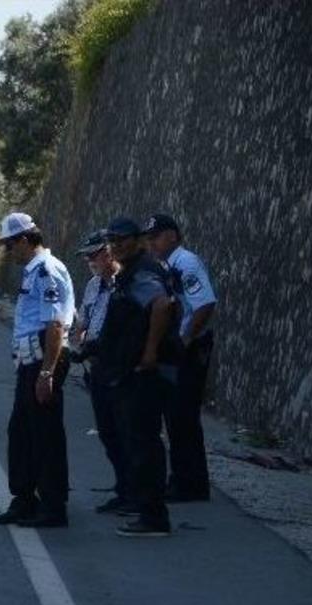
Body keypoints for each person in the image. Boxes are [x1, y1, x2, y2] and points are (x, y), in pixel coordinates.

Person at [0, 212, 75, 528]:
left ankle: (53, 506)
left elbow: (55, 325)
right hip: (30, 361)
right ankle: (24, 499)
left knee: (45, 435)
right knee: (22, 433)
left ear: (24, 240)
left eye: (10, 245)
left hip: (43, 360)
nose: (8, 252)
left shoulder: (46, 270)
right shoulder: (33, 270)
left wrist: (47, 373)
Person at [96, 217, 179, 537]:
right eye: (112, 240)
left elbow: (162, 305)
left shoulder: (142, 272)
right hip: (130, 372)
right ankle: (144, 508)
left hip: (144, 374)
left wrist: (150, 352)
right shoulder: (130, 272)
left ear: (138, 240)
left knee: (143, 443)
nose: (116, 245)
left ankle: (153, 517)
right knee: (135, 441)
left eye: (122, 239)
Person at [144, 213, 217, 502]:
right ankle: (184, 480)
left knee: (183, 416)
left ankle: (190, 484)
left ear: (172, 235)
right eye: (149, 238)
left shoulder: (186, 262)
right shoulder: (167, 265)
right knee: (175, 417)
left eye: (156, 237)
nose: (152, 243)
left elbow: (204, 303)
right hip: (178, 348)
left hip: (190, 349)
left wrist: (185, 339)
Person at [70, 229, 129, 514]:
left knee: (128, 432)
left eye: (94, 255)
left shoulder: (126, 283)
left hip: (121, 368)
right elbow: (82, 322)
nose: (90, 262)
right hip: (96, 367)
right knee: (107, 432)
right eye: (87, 257)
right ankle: (123, 488)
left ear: (109, 252)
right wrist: (80, 340)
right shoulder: (94, 285)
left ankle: (137, 493)